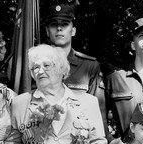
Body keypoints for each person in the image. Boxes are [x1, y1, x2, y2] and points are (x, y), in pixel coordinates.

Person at [44, 4, 107, 135]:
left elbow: (98, 112)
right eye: (54, 24)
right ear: (47, 30)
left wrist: (104, 141)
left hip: (77, 142)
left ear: (73, 31)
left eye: (65, 24)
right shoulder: (35, 64)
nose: (59, 28)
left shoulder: (89, 66)